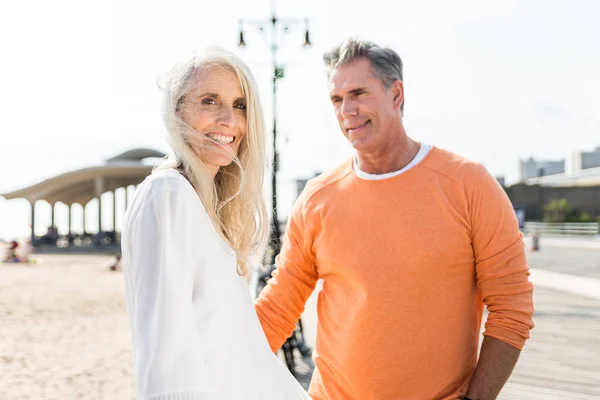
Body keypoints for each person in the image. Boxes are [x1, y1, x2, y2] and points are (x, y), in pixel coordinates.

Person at [255, 38, 535, 400]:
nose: (346, 111)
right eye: (337, 100)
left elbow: (511, 308)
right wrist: (209, 366)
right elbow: (279, 307)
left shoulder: (469, 184)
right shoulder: (317, 198)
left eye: (359, 93)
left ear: (396, 94)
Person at [121, 48, 310, 399]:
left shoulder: (205, 211)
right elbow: (168, 364)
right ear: (177, 110)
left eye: (240, 105)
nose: (230, 120)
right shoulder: (169, 194)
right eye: (210, 101)